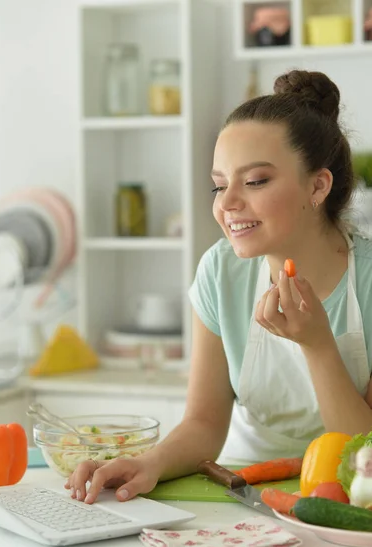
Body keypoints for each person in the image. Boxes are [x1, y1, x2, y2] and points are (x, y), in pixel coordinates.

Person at [66, 69, 372, 505]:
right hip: (241, 491)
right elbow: (204, 423)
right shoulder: (219, 272)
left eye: (255, 181)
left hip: (350, 498)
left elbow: (366, 453)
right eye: (219, 184)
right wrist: (150, 462)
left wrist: (319, 345)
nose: (227, 204)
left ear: (317, 185)